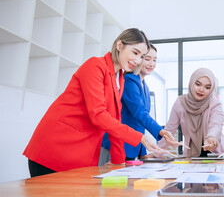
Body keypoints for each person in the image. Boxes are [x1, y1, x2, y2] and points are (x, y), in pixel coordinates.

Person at [23, 28, 170, 177]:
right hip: (57, 147)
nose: (137, 60)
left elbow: (114, 121)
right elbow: (98, 114)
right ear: (119, 45)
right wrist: (140, 137)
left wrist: (118, 162)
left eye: (141, 56)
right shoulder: (95, 66)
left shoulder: (118, 79)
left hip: (78, 153)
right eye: (135, 53)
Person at [156, 68, 224, 157]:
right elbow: (169, 130)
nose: (201, 89)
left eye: (207, 87)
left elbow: (216, 124)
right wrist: (156, 153)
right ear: (192, 82)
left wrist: (211, 137)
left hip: (216, 154)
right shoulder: (180, 102)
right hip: (191, 156)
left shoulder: (215, 103)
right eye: (198, 84)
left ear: (211, 89)